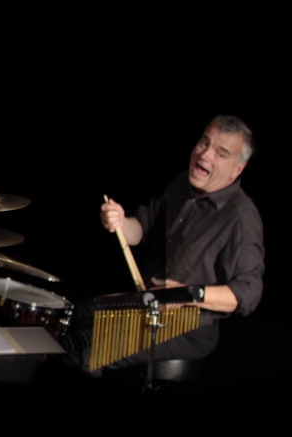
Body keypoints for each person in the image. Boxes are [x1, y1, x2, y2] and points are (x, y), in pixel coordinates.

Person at [76, 115, 264, 370]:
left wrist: (187, 294)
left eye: (220, 154)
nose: (204, 155)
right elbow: (140, 230)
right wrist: (120, 221)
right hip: (148, 307)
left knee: (83, 350)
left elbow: (248, 293)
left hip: (190, 328)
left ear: (237, 169)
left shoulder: (240, 217)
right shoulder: (181, 185)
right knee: (75, 317)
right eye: (204, 143)